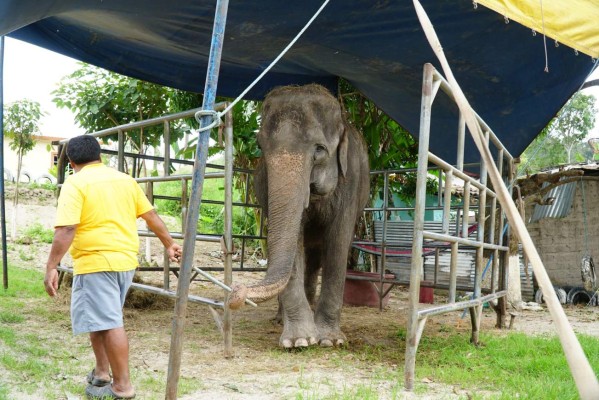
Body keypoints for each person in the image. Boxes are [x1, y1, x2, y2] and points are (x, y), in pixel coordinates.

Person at [43, 135, 182, 400]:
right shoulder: (125, 180)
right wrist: (169, 243)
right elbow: (150, 215)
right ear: (100, 156)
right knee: (100, 318)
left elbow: (67, 228)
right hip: (125, 261)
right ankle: (101, 373)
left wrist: (52, 265)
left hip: (97, 262)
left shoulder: (76, 183)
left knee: (110, 321)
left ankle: (122, 386)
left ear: (71, 161)